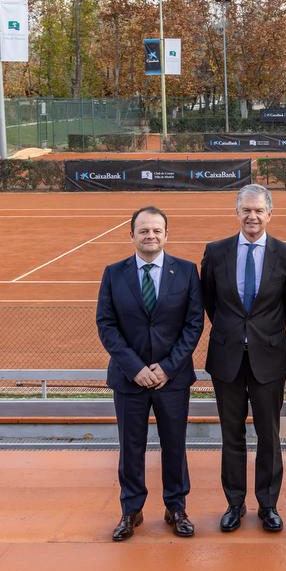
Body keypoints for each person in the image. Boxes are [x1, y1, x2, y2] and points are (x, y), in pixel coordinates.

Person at [96, 206, 204, 541]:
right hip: (130, 379)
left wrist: (168, 367)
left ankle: (176, 507)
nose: (150, 236)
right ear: (131, 235)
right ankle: (131, 510)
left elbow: (194, 323)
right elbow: (106, 324)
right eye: (144, 230)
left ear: (166, 235)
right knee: (131, 447)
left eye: (157, 230)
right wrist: (136, 368)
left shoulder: (186, 272)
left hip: (173, 379)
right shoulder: (113, 273)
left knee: (175, 445)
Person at [201, 185, 286, 533]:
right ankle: (234, 503)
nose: (252, 216)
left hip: (269, 358)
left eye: (258, 210)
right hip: (226, 356)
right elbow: (210, 302)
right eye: (246, 210)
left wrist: (261, 334)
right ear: (237, 212)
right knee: (232, 435)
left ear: (270, 214)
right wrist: (235, 332)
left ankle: (268, 504)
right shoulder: (215, 253)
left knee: (268, 435)